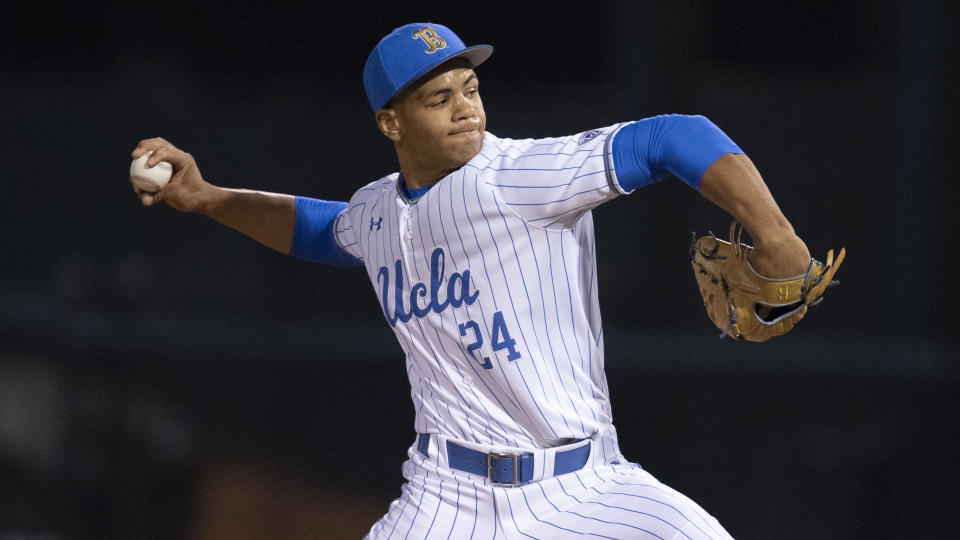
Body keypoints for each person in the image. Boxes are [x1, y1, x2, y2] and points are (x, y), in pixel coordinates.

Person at [132, 22, 811, 539]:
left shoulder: (521, 176)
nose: (466, 108)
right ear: (391, 123)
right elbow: (320, 230)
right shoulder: (377, 212)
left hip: (584, 489)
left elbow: (671, 136)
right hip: (444, 495)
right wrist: (211, 198)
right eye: (438, 98)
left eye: (471, 88)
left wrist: (774, 232)